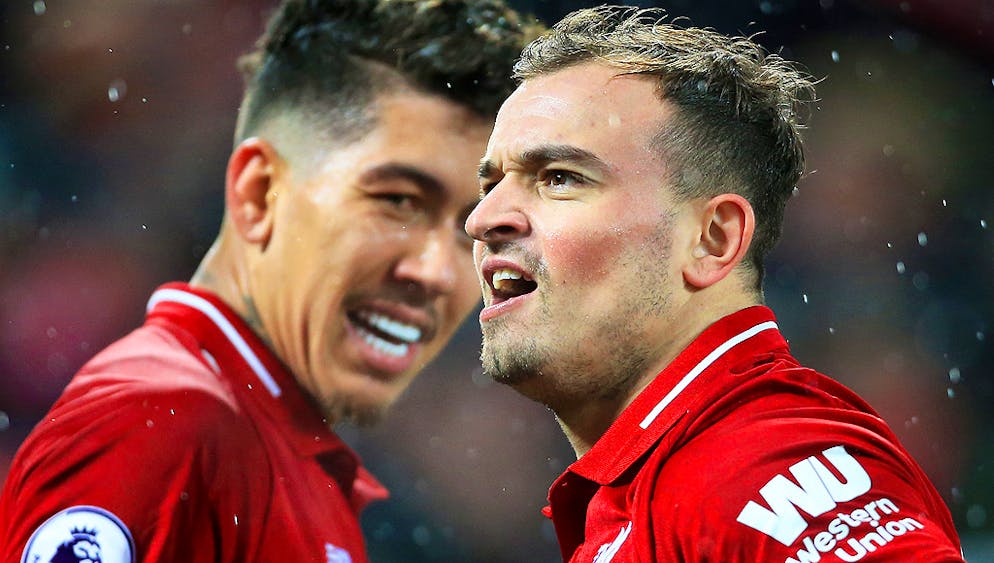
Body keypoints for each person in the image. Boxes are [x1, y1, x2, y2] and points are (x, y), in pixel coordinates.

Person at [0, 0, 537, 560]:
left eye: (470, 226)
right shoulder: (157, 431)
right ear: (259, 192)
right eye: (396, 202)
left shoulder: (288, 461)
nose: (439, 273)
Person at [466, 6, 966, 562]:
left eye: (560, 178)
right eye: (491, 185)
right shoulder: (668, 481)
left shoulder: (763, 463)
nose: (482, 219)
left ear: (712, 240)